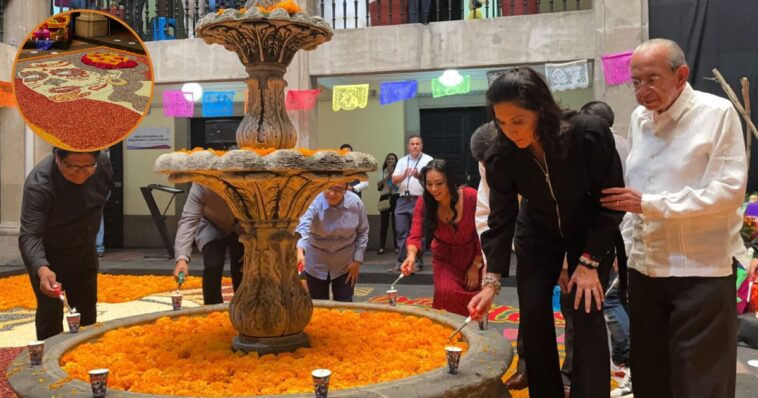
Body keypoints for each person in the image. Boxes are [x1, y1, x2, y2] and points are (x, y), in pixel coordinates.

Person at [600, 38, 747, 398]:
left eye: (651, 79)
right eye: (635, 82)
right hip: (647, 271)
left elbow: (728, 192)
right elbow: (634, 189)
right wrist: (628, 252)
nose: (642, 91)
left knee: (700, 381)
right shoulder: (639, 118)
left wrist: (651, 204)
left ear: (681, 75)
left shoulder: (717, 113)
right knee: (651, 376)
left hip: (700, 273)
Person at [468, 67, 625, 398]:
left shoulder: (586, 133)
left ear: (540, 108)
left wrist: (589, 261)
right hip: (537, 231)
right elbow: (501, 217)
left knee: (587, 312)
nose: (510, 131)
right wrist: (492, 278)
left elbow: (610, 202)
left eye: (518, 121)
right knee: (535, 316)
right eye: (502, 122)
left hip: (587, 228)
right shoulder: (502, 154)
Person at [19, 147, 113, 340]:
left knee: (86, 309)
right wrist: (41, 268)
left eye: (88, 167)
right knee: (50, 311)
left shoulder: (102, 163)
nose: (81, 173)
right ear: (57, 158)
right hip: (49, 253)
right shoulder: (39, 184)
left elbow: (102, 195)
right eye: (73, 167)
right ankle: (46, 363)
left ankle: (88, 356)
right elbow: (30, 235)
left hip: (84, 247)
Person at [400, 159, 483, 316]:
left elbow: (483, 232)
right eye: (429, 184)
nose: (434, 189)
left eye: (439, 183)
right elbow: (415, 233)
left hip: (472, 256)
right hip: (444, 257)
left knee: (475, 302)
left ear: (450, 181)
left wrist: (476, 264)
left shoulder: (471, 196)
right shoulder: (423, 202)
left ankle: (472, 337)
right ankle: (446, 337)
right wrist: (411, 256)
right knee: (446, 293)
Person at [296, 183, 369, 302]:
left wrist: (357, 261)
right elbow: (303, 227)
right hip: (316, 261)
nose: (332, 193)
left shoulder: (355, 202)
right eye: (329, 188)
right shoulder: (314, 201)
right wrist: (300, 251)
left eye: (338, 189)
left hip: (345, 264)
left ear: (346, 190)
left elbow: (363, 231)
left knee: (345, 307)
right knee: (318, 306)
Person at [173, 184, 244, 305]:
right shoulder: (201, 184)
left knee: (242, 265)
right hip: (211, 223)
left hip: (244, 226)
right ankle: (212, 308)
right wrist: (181, 258)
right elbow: (188, 221)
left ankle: (244, 307)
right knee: (213, 263)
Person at [391, 135, 433, 272]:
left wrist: (418, 176)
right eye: (412, 144)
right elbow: (394, 180)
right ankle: (401, 261)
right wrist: (404, 175)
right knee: (402, 231)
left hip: (420, 200)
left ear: (422, 146)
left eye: (417, 144)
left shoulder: (428, 160)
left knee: (419, 233)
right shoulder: (402, 161)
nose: (415, 146)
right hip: (403, 200)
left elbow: (432, 179)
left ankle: (417, 261)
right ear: (408, 146)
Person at [377, 153, 400, 255]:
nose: (391, 160)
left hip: (395, 197)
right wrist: (388, 176)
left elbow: (399, 187)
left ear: (396, 161)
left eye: (393, 159)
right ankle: (381, 247)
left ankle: (397, 247)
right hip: (385, 197)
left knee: (396, 224)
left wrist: (393, 176)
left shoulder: (399, 172)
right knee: (384, 223)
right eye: (389, 159)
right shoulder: (382, 172)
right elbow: (378, 185)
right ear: (386, 161)